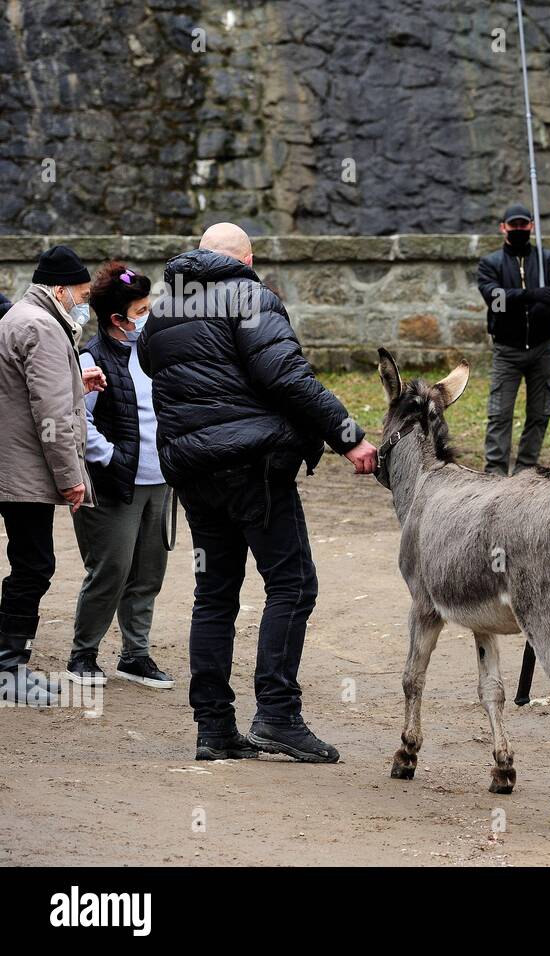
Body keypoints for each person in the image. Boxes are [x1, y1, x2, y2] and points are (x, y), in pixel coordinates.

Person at [138, 223, 377, 762]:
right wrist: (350, 438)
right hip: (252, 468)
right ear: (246, 260)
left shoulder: (162, 308)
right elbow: (286, 376)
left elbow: (156, 366)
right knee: (292, 586)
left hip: (193, 471)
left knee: (215, 596)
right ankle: (277, 715)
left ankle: (214, 728)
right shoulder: (249, 294)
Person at [0, 246, 107, 705]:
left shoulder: (20, 317)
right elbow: (50, 412)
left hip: (14, 462)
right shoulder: (43, 325)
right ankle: (8, 669)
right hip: (23, 470)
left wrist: (73, 383)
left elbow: (25, 391)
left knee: (28, 562)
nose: (84, 303)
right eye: (82, 294)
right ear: (60, 289)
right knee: (34, 565)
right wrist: (70, 476)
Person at [66, 262, 174, 690]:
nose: (149, 315)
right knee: (110, 570)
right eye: (142, 309)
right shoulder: (92, 358)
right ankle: (83, 653)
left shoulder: (154, 352)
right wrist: (112, 459)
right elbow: (79, 421)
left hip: (160, 481)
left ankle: (136, 655)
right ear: (118, 319)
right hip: (116, 484)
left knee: (149, 572)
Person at [475, 202, 550, 475]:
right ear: (503, 228)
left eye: (523, 224)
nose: (518, 229)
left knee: (540, 413)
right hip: (507, 351)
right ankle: (494, 473)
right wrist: (534, 295)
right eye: (513, 225)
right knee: (500, 414)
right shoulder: (490, 264)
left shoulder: (548, 258)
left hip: (542, 349)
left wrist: (541, 296)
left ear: (531, 226)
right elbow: (495, 299)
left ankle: (526, 470)